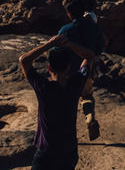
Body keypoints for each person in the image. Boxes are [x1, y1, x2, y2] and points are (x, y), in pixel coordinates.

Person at [18, 32, 97, 170]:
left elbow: (23, 60)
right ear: (68, 67)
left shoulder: (44, 88)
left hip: (47, 153)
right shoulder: (76, 83)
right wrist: (68, 43)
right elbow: (90, 56)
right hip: (69, 150)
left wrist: (49, 44)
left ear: (49, 68)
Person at [58, 0, 106, 141]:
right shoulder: (95, 28)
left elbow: (57, 50)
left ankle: (67, 134)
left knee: (67, 102)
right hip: (88, 69)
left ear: (69, 14)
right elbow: (101, 47)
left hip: (69, 72)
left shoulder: (65, 30)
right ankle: (90, 118)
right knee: (87, 96)